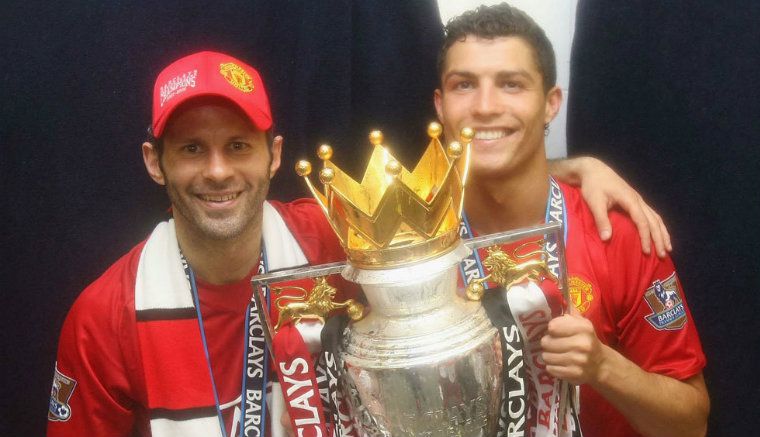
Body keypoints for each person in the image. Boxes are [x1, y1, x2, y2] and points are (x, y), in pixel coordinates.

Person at [48, 50, 673, 437]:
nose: (217, 171)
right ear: (154, 163)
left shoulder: (332, 240)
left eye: (238, 146)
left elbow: (463, 206)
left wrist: (576, 165)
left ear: (274, 156)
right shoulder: (106, 314)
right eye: (191, 149)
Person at [433, 4, 708, 437]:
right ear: (440, 105)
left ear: (550, 104)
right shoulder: (406, 240)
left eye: (512, 84)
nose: (485, 106)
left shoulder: (614, 233)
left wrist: (603, 366)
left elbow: (692, 424)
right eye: (464, 85)